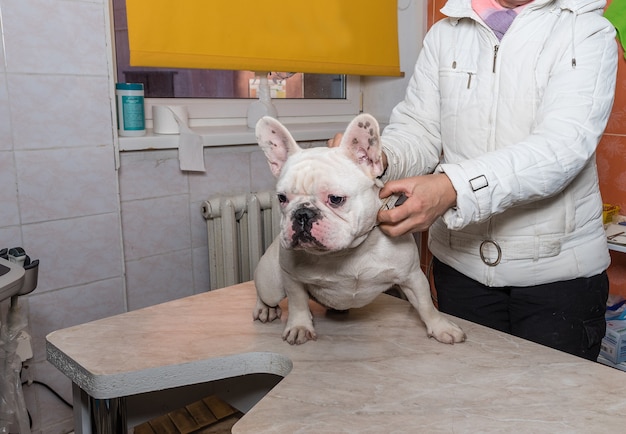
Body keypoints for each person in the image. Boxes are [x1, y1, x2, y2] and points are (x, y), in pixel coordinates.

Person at [332, 0, 618, 361]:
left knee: (550, 413)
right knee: (466, 406)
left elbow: (561, 148)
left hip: (559, 279)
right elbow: (419, 131)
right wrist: (379, 157)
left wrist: (451, 188)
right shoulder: (444, 34)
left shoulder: (586, 31)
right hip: (460, 270)